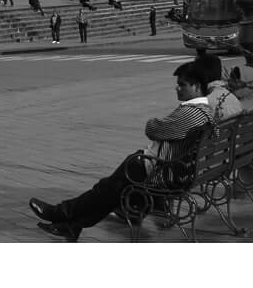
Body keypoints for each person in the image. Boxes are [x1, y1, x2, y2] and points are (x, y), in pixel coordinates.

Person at [28, 58, 222, 240]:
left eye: (182, 85)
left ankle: (60, 213)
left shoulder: (191, 113)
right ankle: (71, 225)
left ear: (196, 87)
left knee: (106, 189)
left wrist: (154, 123)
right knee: (110, 190)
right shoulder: (205, 112)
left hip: (160, 171)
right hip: (176, 169)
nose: (177, 88)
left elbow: (153, 129)